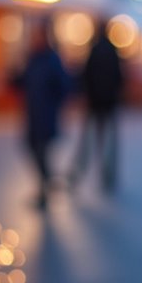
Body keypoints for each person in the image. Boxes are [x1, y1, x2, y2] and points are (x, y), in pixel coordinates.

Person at [13, 20, 70, 208]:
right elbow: (24, 81)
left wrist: (52, 101)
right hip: (32, 115)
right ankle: (48, 182)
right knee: (33, 150)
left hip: (46, 115)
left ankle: (44, 191)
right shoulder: (32, 58)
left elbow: (64, 86)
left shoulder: (52, 59)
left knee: (41, 153)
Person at [72, 17, 124, 192]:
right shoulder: (113, 50)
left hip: (94, 103)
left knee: (88, 140)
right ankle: (108, 175)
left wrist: (88, 95)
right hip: (109, 103)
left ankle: (79, 172)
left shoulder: (94, 50)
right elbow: (119, 77)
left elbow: (85, 76)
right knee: (108, 141)